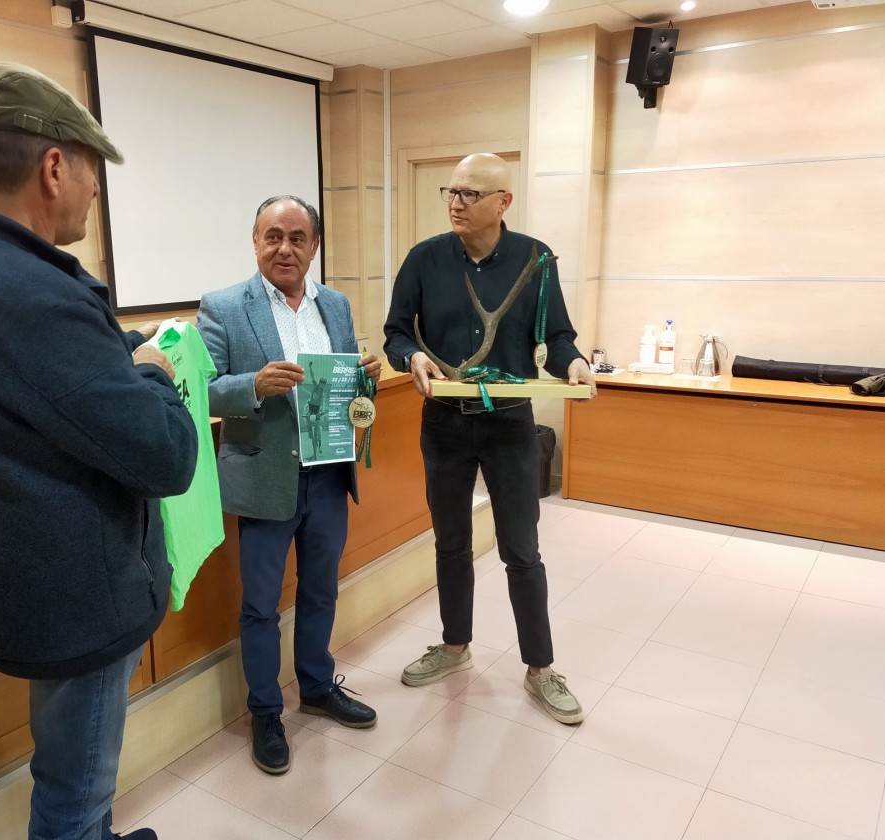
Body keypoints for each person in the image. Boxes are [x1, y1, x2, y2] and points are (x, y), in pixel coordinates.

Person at [0, 63, 198, 840]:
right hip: (80, 601)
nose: (96, 191)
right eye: (93, 170)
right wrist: (156, 374)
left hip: (17, 583)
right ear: (55, 166)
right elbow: (167, 457)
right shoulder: (36, 297)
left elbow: (44, 388)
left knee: (65, 756)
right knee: (74, 792)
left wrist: (116, 355)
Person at [383, 153, 596, 725]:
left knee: (521, 549)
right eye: (451, 192)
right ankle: (455, 647)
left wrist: (573, 363)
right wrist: (411, 360)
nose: (455, 202)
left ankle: (540, 668)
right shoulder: (424, 260)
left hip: (508, 423)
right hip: (444, 423)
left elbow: (558, 336)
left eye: (469, 194)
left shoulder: (535, 259)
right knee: (450, 541)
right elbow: (396, 332)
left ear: (503, 202)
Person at [196, 195, 381, 775]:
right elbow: (204, 390)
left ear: (314, 247)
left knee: (322, 590)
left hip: (328, 474)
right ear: (255, 242)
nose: (285, 247)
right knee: (260, 605)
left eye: (298, 238)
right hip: (266, 477)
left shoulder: (337, 304)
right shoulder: (224, 306)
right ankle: (265, 712)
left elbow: (346, 393)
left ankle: (318, 687)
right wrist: (254, 383)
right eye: (273, 235)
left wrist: (365, 380)